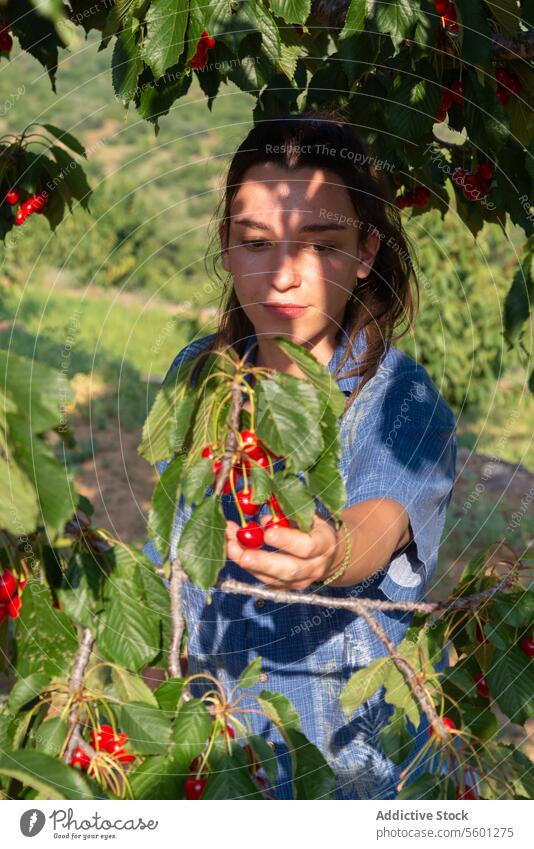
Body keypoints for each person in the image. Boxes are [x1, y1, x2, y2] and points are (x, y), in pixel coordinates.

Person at [142, 112, 457, 800]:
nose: (283, 274)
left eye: (320, 245)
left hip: (347, 786)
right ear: (226, 245)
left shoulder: (400, 396)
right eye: (256, 241)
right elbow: (170, 540)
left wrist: (333, 551)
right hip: (220, 767)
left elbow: (383, 515)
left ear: (366, 251)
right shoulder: (199, 373)